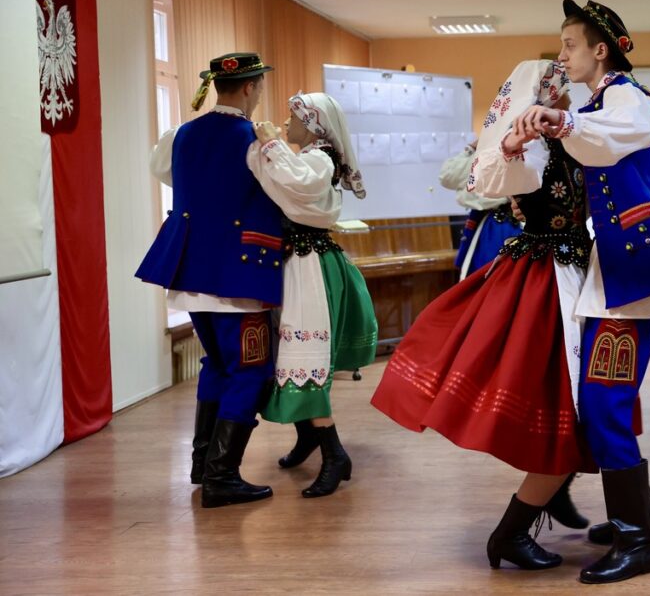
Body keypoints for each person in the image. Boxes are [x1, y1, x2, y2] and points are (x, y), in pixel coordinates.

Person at [512, 0, 650, 584]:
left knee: (606, 403)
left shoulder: (627, 96)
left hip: (633, 270)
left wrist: (561, 121)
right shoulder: (597, 98)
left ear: (600, 50)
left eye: (569, 45)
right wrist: (556, 120)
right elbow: (589, 143)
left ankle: (639, 543)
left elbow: (613, 137)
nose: (562, 55)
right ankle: (643, 517)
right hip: (613, 267)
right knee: (604, 401)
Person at [371, 60, 591, 573]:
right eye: (553, 88)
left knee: (575, 392)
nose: (562, 95)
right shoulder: (529, 142)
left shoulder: (575, 135)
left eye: (563, 88)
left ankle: (555, 491)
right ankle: (512, 532)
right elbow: (489, 178)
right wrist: (512, 148)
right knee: (566, 390)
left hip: (572, 272)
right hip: (545, 278)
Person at [136, 52, 279, 508]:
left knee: (217, 365)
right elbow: (285, 190)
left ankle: (203, 463)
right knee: (251, 371)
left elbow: (164, 173)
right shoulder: (253, 140)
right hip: (238, 276)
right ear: (251, 88)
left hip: (191, 272)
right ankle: (221, 477)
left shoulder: (180, 135)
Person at [251, 92, 378, 498]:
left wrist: (269, 143)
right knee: (289, 357)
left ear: (316, 125)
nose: (286, 124)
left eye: (293, 118)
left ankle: (334, 454)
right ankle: (309, 438)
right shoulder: (307, 156)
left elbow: (298, 183)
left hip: (310, 269)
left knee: (303, 360)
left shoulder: (318, 159)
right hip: (297, 264)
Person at [439, 137, 523, 280]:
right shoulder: (489, 147)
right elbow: (447, 176)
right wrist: (473, 147)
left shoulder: (527, 146)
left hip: (514, 225)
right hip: (492, 224)